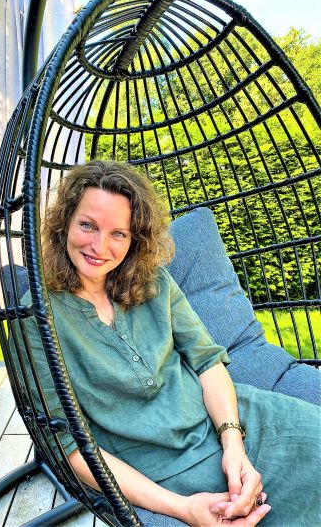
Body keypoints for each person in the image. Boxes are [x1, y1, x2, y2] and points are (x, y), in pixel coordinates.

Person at [20, 160, 320, 526]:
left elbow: (207, 361)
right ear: (64, 222)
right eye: (87, 225)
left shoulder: (154, 281)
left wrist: (233, 444)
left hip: (238, 421)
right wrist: (183, 508)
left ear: (135, 238)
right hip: (167, 469)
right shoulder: (38, 316)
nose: (99, 246)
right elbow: (68, 445)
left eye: (119, 233)